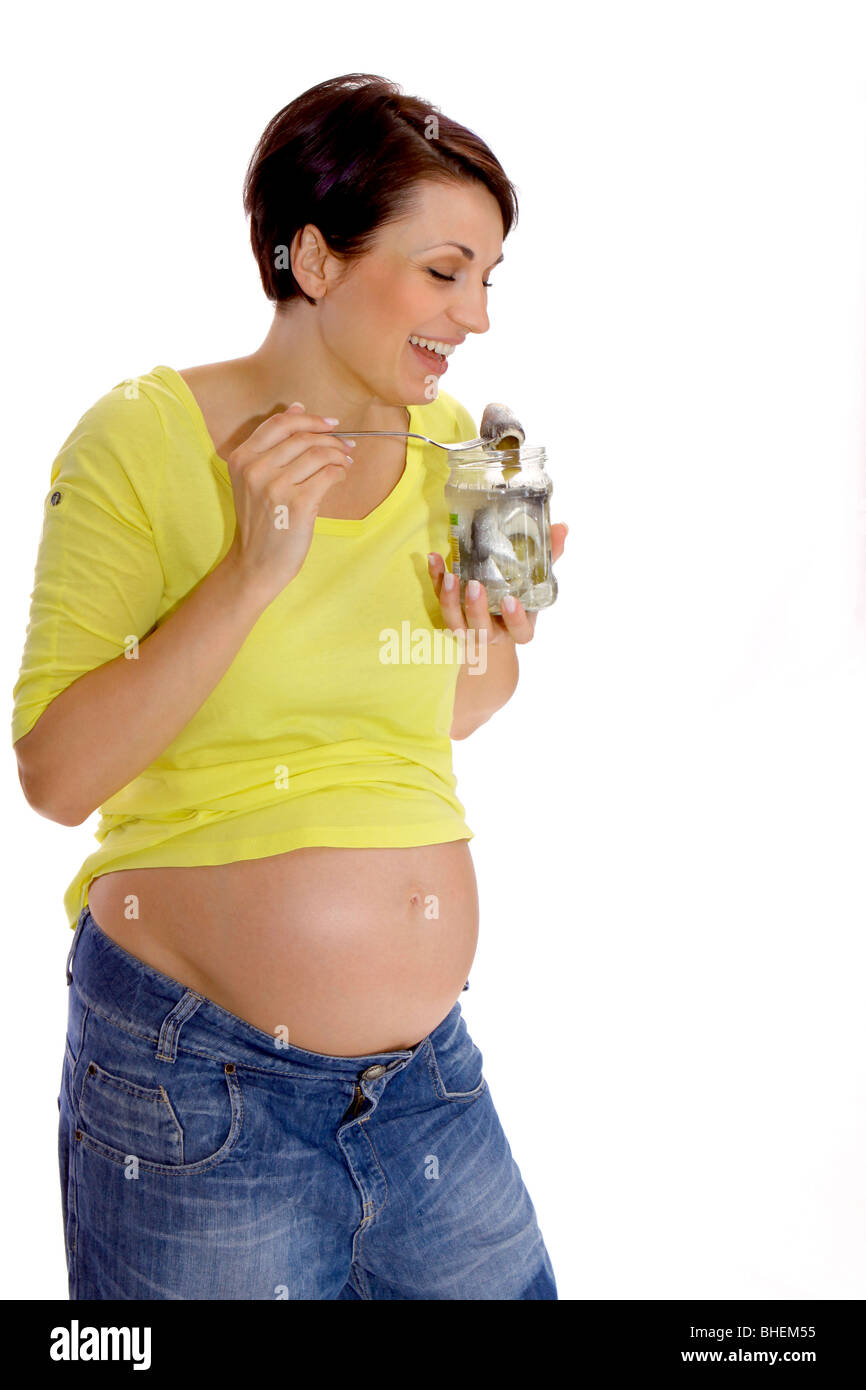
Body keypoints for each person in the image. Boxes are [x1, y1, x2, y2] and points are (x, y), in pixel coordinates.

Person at [13, 72, 566, 1300]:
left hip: (425, 1090)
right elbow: (55, 772)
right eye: (442, 271)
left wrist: (489, 631)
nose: (473, 315)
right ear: (314, 258)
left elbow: (455, 712)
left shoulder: (474, 452)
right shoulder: (142, 438)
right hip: (197, 1088)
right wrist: (254, 570)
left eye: (487, 278)